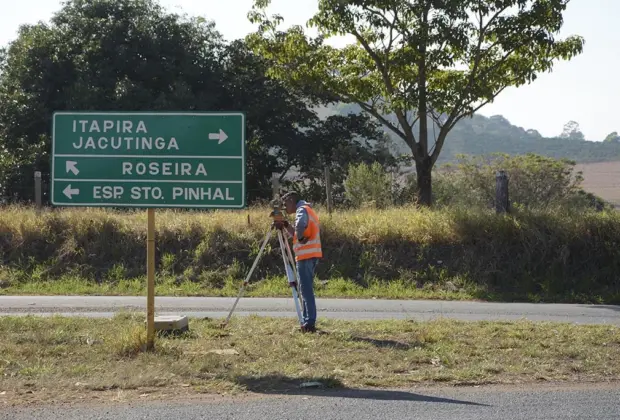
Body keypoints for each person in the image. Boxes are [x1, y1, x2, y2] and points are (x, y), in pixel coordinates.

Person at [279, 191, 322, 333]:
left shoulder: (301, 210)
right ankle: (306, 320)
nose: (285, 208)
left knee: (306, 290)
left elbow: (299, 226)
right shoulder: (307, 209)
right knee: (305, 289)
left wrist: (302, 238)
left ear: (292, 200)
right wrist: (285, 224)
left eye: (285, 204)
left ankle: (309, 323)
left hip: (306, 256)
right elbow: (296, 232)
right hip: (311, 254)